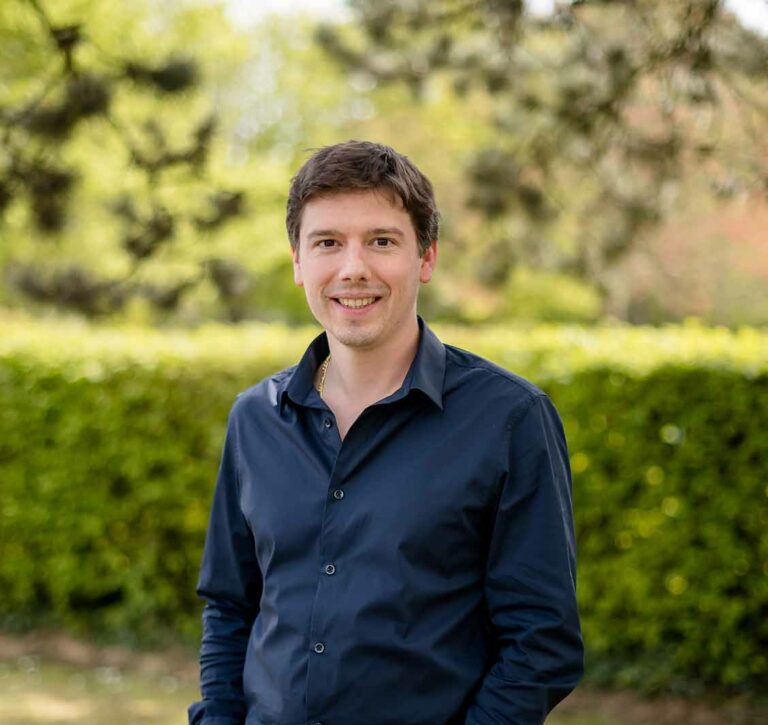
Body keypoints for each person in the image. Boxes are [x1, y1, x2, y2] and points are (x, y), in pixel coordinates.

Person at [188, 140, 583, 725]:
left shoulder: (510, 418)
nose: (353, 268)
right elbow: (229, 607)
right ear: (298, 262)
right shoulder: (255, 418)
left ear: (426, 258)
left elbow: (541, 641)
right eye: (327, 243)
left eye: (381, 241)